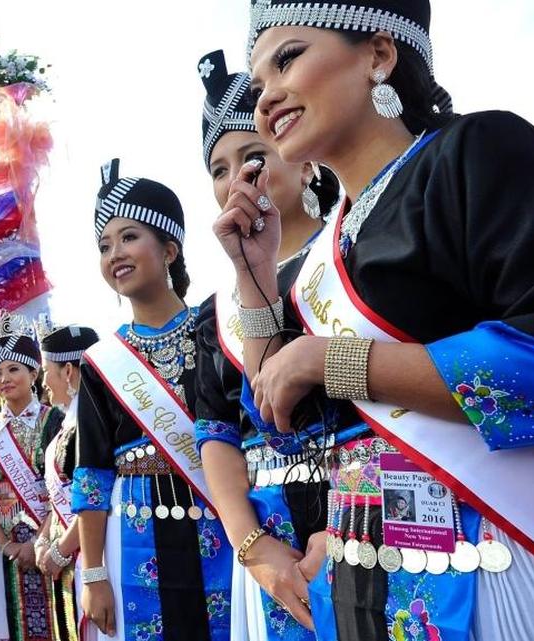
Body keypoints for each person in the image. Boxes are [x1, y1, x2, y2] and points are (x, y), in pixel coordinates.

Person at [211, 1, 534, 638]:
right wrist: (255, 274)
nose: (266, 98)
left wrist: (330, 360)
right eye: (257, 86)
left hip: (486, 553)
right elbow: (282, 412)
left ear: (379, 56)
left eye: (288, 59)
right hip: (360, 567)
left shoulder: (475, 152)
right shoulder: (321, 254)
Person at [191, 49, 344, 640]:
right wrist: (254, 549)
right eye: (219, 169)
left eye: (253, 156)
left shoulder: (351, 255)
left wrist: (349, 525)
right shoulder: (217, 312)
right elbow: (216, 435)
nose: (237, 180)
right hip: (269, 550)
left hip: (375, 525)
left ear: (304, 162)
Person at [75, 163, 233, 641]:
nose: (114, 254)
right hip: (136, 536)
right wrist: (94, 575)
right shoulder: (101, 362)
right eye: (104, 246)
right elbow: (92, 474)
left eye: (128, 237)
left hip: (222, 528)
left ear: (169, 248)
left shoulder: (218, 327)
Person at [0, 311, 64, 641]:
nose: (4, 378)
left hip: (55, 538)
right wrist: (6, 544)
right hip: (5, 546)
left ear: (35, 372)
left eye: (13, 369)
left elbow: (68, 485)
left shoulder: (57, 422)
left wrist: (39, 540)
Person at [34, 323, 99, 641]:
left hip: (88, 555)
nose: (43, 381)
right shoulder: (66, 426)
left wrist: (60, 550)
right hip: (69, 554)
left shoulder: (91, 426)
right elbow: (57, 497)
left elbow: (94, 499)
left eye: (47, 370)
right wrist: (44, 538)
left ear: (69, 371)